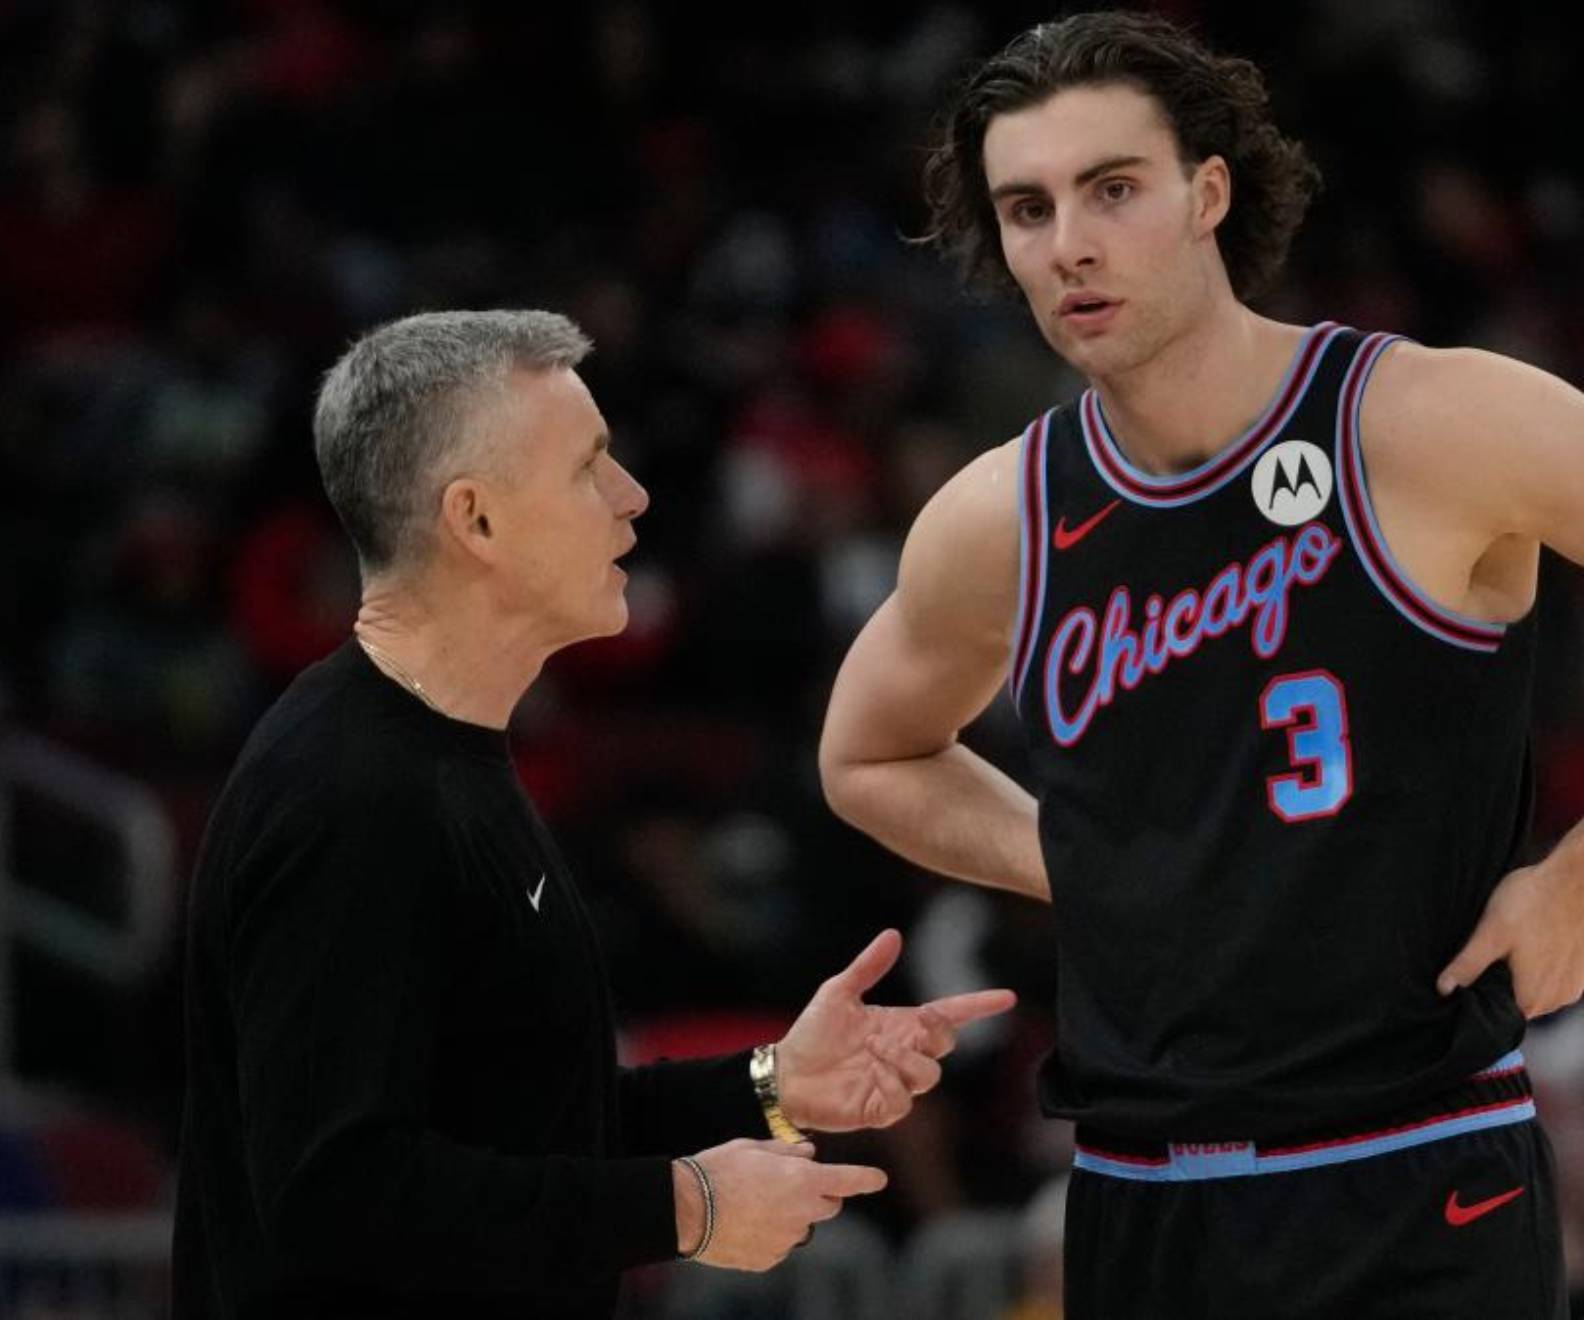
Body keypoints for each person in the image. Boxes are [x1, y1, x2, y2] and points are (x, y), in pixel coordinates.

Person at [818, 12, 1584, 1318]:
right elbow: (867, 755)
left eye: (1112, 189)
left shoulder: (1422, 423)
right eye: (1027, 209)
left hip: (1413, 1174)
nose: (1070, 245)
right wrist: (1079, 861)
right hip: (1139, 1194)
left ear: (1208, 194)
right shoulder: (1002, 515)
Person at [173, 310, 1015, 1319]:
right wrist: (683, 1207)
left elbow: (527, 1116)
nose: (632, 495)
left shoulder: (449, 758)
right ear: (475, 520)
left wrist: (772, 1082)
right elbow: (332, 1193)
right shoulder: (349, 793)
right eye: (588, 467)